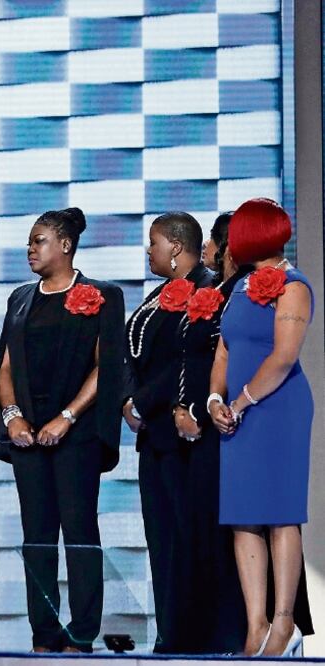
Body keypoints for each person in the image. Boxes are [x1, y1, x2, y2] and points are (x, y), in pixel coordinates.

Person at [0, 208, 124, 653]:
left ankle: (82, 633)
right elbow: (5, 366)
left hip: (76, 435)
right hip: (28, 435)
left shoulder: (102, 295)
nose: (30, 248)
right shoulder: (21, 298)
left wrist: (66, 417)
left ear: (65, 245)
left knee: (80, 533)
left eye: (38, 240)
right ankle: (43, 635)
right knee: (37, 538)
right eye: (29, 241)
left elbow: (108, 368)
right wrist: (13, 417)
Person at [211, 198, 315, 657]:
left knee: (279, 513)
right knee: (242, 516)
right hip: (237, 412)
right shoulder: (240, 287)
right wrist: (215, 399)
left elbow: (284, 357)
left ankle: (284, 622)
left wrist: (242, 400)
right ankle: (255, 625)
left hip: (277, 410)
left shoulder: (294, 287)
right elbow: (225, 350)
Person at [123, 212, 214, 653]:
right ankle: (169, 631)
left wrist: (143, 401)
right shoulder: (160, 295)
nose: (149, 250)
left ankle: (190, 635)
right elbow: (133, 355)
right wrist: (128, 400)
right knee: (160, 538)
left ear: (176, 246)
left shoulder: (207, 290)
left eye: (154, 242)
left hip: (184, 437)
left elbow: (187, 358)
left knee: (185, 537)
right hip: (152, 438)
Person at [169, 211, 247, 653]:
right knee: (200, 531)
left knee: (226, 533)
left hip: (226, 426)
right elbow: (191, 358)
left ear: (224, 249)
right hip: (198, 426)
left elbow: (230, 360)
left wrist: (202, 406)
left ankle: (233, 634)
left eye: (213, 248)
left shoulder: (244, 295)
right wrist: (184, 406)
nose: (209, 255)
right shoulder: (213, 293)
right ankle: (204, 635)